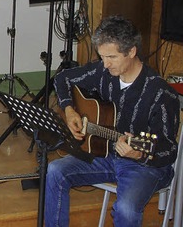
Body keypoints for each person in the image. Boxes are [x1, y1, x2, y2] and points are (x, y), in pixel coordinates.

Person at [45, 16, 180, 226]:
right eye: (102, 56)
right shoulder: (104, 73)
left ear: (132, 51)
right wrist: (69, 110)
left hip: (146, 167)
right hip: (107, 154)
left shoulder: (161, 94)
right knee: (55, 171)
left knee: (125, 208)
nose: (105, 64)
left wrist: (140, 152)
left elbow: (169, 150)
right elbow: (63, 78)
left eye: (112, 57)